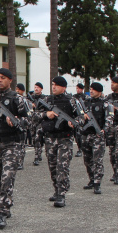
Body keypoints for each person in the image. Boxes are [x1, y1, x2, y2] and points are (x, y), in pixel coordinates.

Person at [0, 68, 27, 227]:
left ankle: (2, 211)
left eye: (3, 78)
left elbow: (29, 120)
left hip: (12, 144)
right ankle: (5, 203)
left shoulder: (17, 99)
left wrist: (17, 121)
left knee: (7, 178)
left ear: (10, 80)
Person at [38, 76, 78, 207]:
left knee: (63, 167)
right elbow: (34, 115)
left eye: (56, 85)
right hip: (50, 138)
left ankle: (61, 193)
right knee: (53, 166)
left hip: (65, 138)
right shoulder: (46, 100)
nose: (53, 87)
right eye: (52, 84)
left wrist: (75, 123)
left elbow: (81, 117)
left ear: (64, 87)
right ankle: (56, 190)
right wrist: (46, 115)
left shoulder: (71, 101)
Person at [79, 82, 113, 193]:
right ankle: (92, 179)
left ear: (99, 91)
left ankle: (97, 183)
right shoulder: (85, 102)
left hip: (98, 135)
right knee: (87, 159)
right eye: (90, 89)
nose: (91, 91)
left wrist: (104, 130)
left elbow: (109, 118)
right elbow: (78, 116)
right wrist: (82, 117)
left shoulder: (106, 104)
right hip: (86, 134)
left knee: (97, 160)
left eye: (94, 89)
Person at [27, 82, 45, 166]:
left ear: (41, 89)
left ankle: (36, 157)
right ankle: (39, 151)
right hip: (32, 121)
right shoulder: (31, 98)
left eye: (38, 87)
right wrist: (31, 105)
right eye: (35, 87)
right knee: (34, 138)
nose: (36, 89)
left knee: (38, 138)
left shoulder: (44, 98)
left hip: (40, 121)